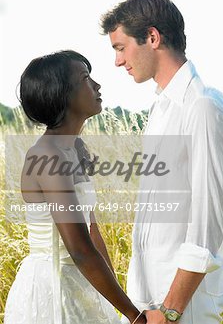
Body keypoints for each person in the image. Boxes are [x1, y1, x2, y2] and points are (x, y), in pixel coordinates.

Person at [101, 0, 223, 324]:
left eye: (121, 48)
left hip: (182, 308)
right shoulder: (162, 106)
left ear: (152, 37)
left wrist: (171, 311)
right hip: (147, 299)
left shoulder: (203, 107)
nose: (118, 61)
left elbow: (207, 224)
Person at [3, 50, 146, 324]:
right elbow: (79, 248)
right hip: (54, 288)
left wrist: (116, 301)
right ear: (62, 94)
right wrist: (134, 315)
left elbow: (92, 232)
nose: (97, 85)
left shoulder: (76, 149)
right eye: (85, 78)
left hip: (84, 284)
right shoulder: (47, 156)